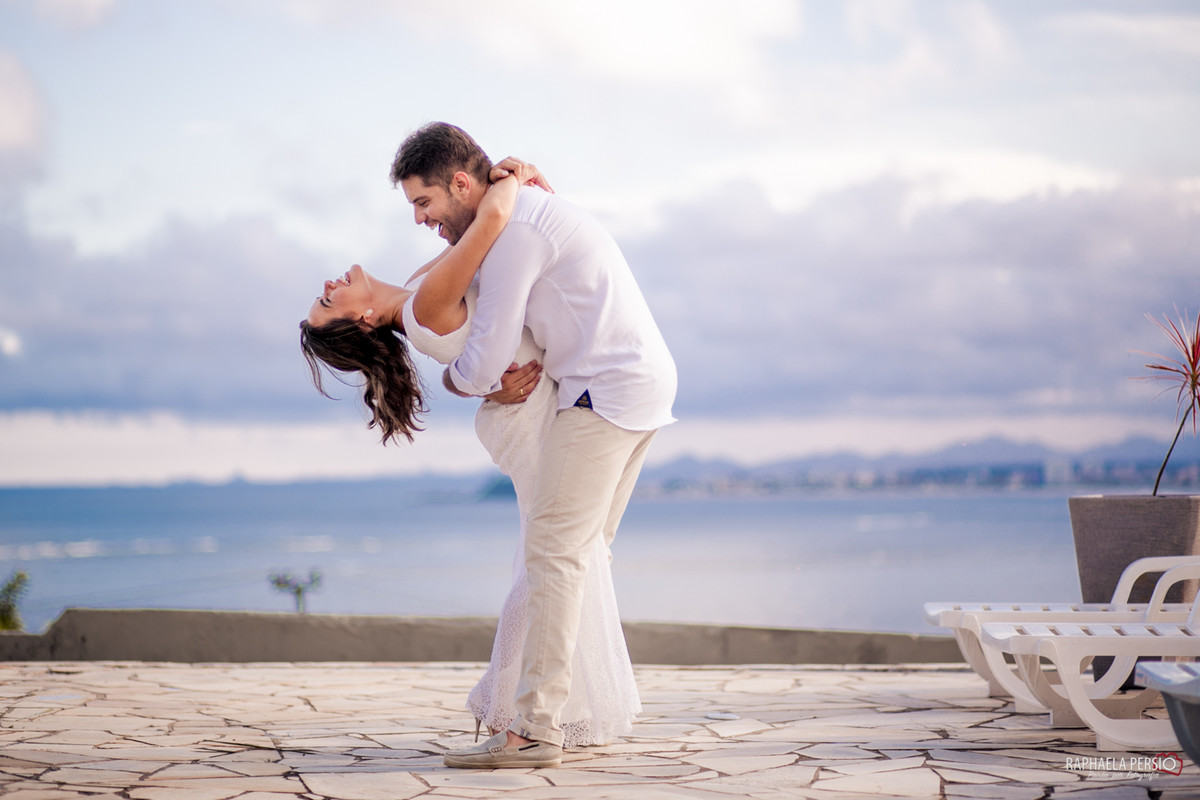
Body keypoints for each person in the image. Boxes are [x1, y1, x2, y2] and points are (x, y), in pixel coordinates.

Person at [299, 159, 642, 753]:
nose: (327, 288)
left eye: (320, 298)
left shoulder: (419, 285)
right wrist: (508, 182)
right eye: (326, 304)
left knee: (554, 562)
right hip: (529, 419)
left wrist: (510, 181)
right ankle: (523, 709)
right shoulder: (426, 299)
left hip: (528, 410)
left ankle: (517, 704)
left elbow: (477, 237)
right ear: (359, 319)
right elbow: (491, 222)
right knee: (555, 563)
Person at [392, 122, 677, 769]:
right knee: (576, 557)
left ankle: (536, 729)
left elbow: (489, 352)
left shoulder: (513, 234)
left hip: (603, 391)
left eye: (424, 203)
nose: (421, 220)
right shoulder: (526, 211)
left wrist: (453, 378)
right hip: (640, 384)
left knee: (553, 556)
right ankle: (560, 713)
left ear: (462, 183)